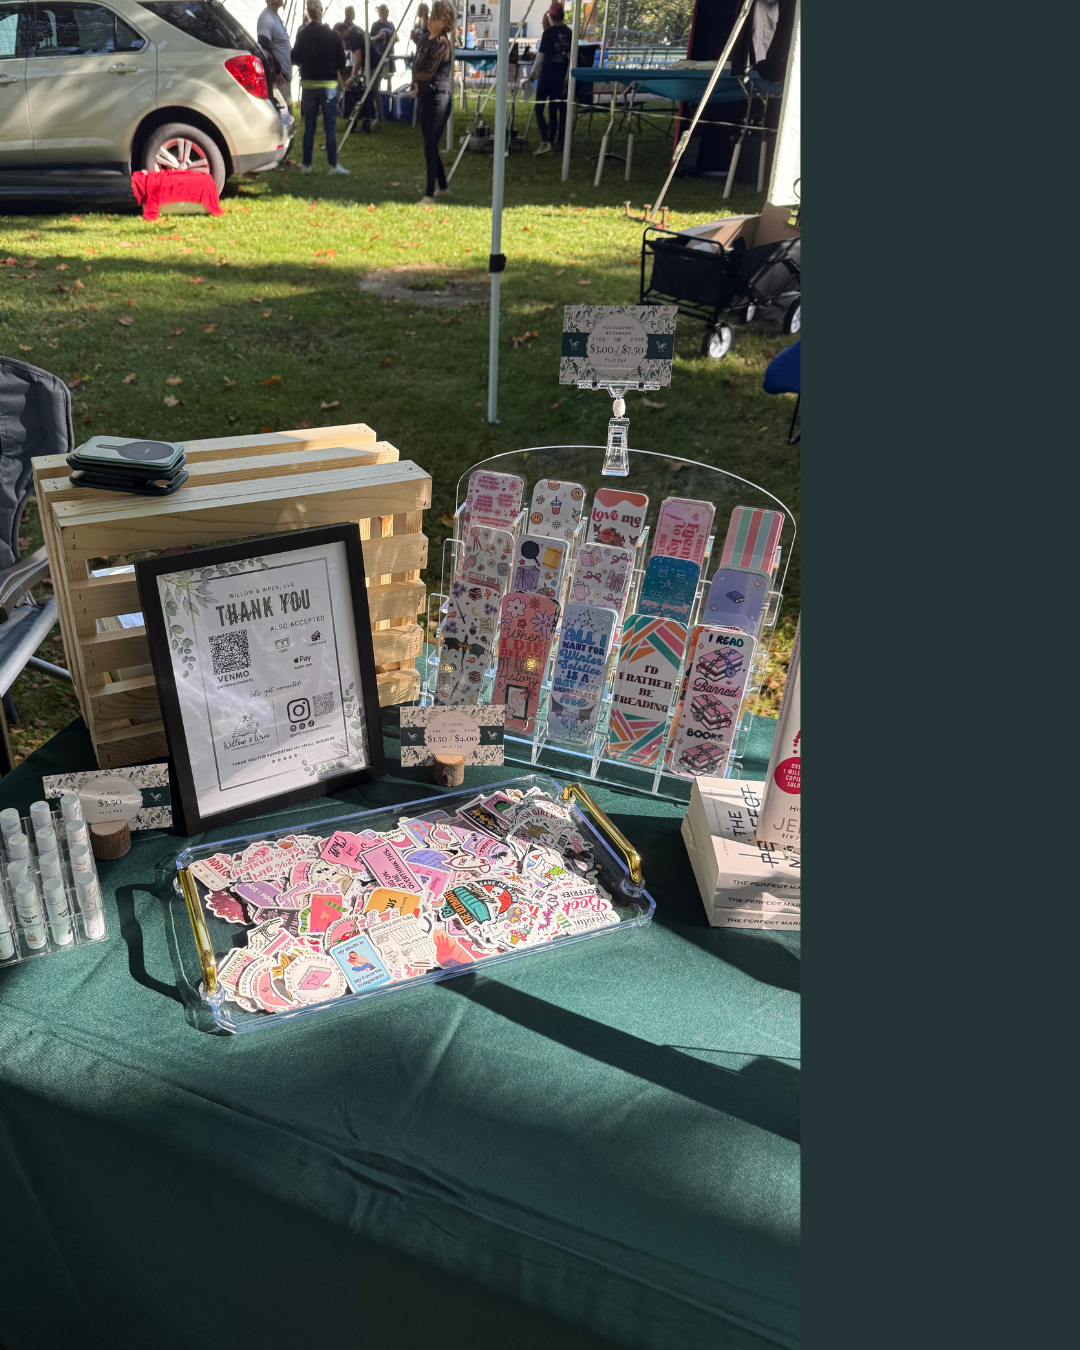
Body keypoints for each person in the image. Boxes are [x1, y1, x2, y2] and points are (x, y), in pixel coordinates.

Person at [291, 0, 350, 175]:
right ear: (322, 12)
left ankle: (306, 165)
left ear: (308, 13)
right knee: (329, 125)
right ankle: (333, 165)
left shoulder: (303, 34)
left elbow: (294, 57)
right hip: (329, 85)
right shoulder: (332, 35)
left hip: (308, 84)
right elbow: (341, 63)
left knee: (309, 126)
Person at [410, 0, 454, 205]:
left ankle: (429, 194)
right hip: (426, 97)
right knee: (430, 144)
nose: (429, 21)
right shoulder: (426, 38)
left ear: (444, 21)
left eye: (434, 18)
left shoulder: (443, 43)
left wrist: (417, 82)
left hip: (439, 99)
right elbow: (417, 65)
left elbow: (429, 71)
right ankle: (443, 187)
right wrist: (415, 85)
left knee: (430, 145)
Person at [530, 3, 572, 154]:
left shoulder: (548, 33)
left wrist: (533, 72)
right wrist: (567, 76)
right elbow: (570, 57)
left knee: (539, 108)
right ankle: (552, 140)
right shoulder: (569, 32)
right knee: (553, 109)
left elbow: (541, 55)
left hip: (547, 75)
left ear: (551, 16)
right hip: (560, 76)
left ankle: (545, 140)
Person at [257, 0, 292, 94]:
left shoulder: (275, 17)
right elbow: (263, 45)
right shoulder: (266, 18)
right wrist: (276, 69)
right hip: (278, 79)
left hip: (284, 78)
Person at [370, 4, 396, 93]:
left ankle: (389, 97)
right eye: (381, 11)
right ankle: (379, 97)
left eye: (385, 11)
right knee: (378, 77)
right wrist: (379, 36)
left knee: (389, 77)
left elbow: (396, 38)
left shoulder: (391, 25)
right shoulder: (375, 25)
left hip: (389, 54)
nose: (384, 13)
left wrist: (392, 38)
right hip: (378, 55)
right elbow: (370, 38)